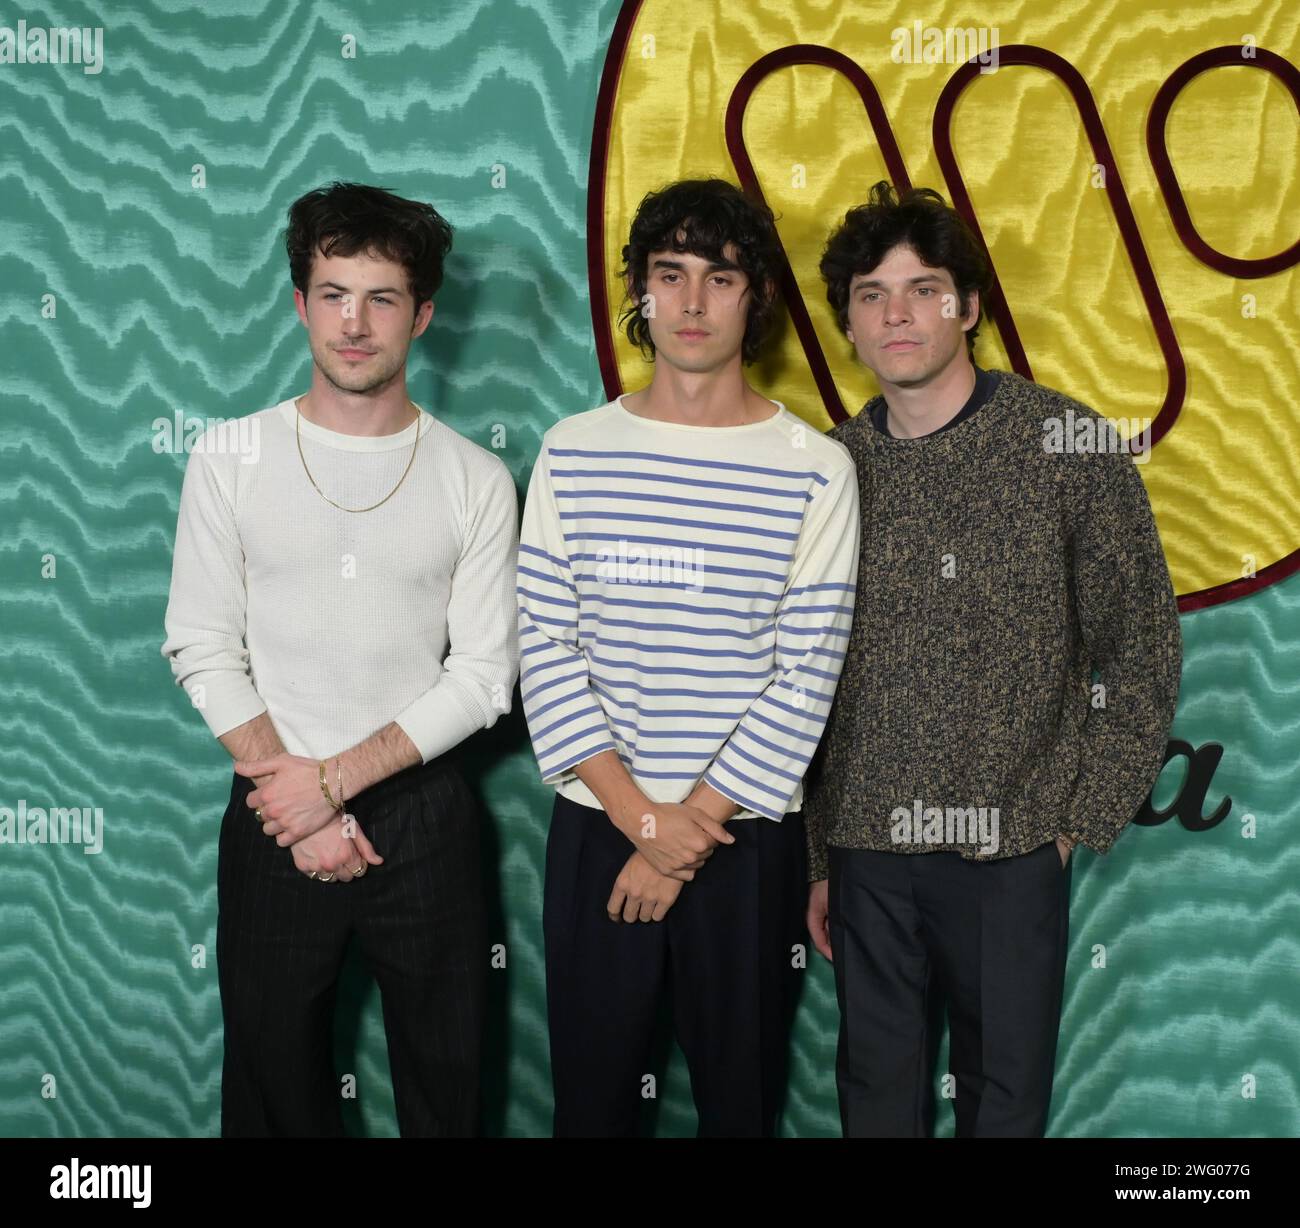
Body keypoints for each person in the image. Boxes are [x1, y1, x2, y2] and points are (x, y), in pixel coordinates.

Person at [802, 180, 1183, 1137]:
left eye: (924, 289)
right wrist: (818, 855)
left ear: (969, 306)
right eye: (871, 294)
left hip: (1012, 850)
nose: (897, 314)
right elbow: (801, 677)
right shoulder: (827, 471)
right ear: (847, 321)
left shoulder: (1066, 446)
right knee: (875, 1111)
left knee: (1006, 1111)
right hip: (866, 853)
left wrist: (1073, 822)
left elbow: (1139, 646)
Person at [161, 181, 519, 1137]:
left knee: (449, 1093)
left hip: (425, 814)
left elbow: (485, 677)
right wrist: (297, 796)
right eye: (332, 294)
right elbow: (200, 641)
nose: (354, 323)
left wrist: (336, 783)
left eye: (383, 298)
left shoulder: (475, 480)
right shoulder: (228, 458)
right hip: (271, 804)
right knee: (273, 1094)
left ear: (425, 314)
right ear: (299, 304)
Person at [517, 178, 860, 1137]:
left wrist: (683, 838)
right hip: (599, 826)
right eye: (670, 275)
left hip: (742, 840)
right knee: (592, 1105)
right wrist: (638, 819)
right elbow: (544, 648)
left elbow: (807, 672)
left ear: (757, 301)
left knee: (738, 1104)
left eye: (721, 277)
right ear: (640, 292)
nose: (694, 302)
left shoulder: (815, 467)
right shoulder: (573, 450)